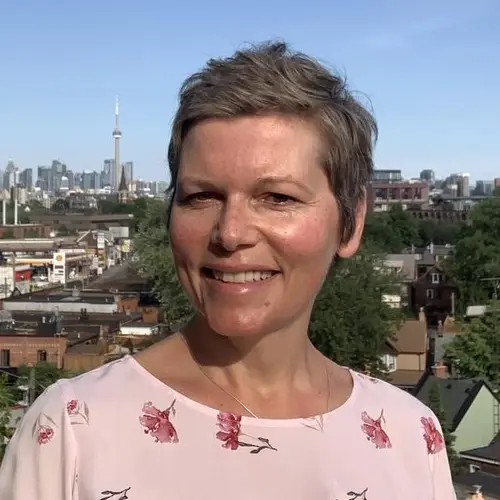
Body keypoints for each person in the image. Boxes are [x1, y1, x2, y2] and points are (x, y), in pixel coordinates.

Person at [0, 41, 456, 500]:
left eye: (278, 198)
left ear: (351, 222)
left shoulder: (411, 439)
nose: (230, 233)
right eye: (201, 197)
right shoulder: (73, 432)